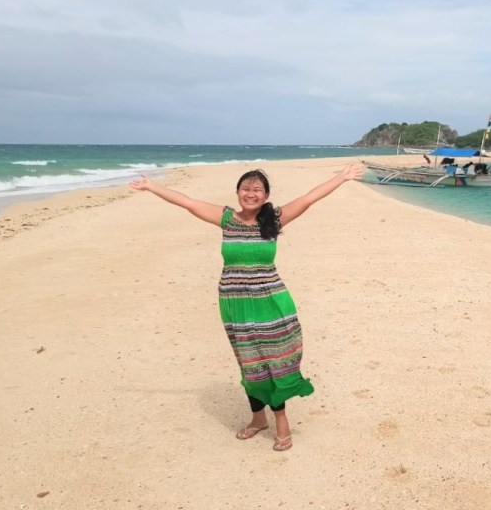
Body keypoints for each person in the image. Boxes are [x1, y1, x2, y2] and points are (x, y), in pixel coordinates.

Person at [129, 163, 364, 451]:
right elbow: (188, 202)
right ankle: (258, 419)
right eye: (245, 189)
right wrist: (151, 186)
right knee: (249, 363)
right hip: (235, 304)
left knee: (273, 362)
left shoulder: (274, 220)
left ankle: (281, 421)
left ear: (266, 195)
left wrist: (342, 177)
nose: (250, 194)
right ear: (238, 192)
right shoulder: (227, 219)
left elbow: (308, 198)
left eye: (257, 190)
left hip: (271, 303)